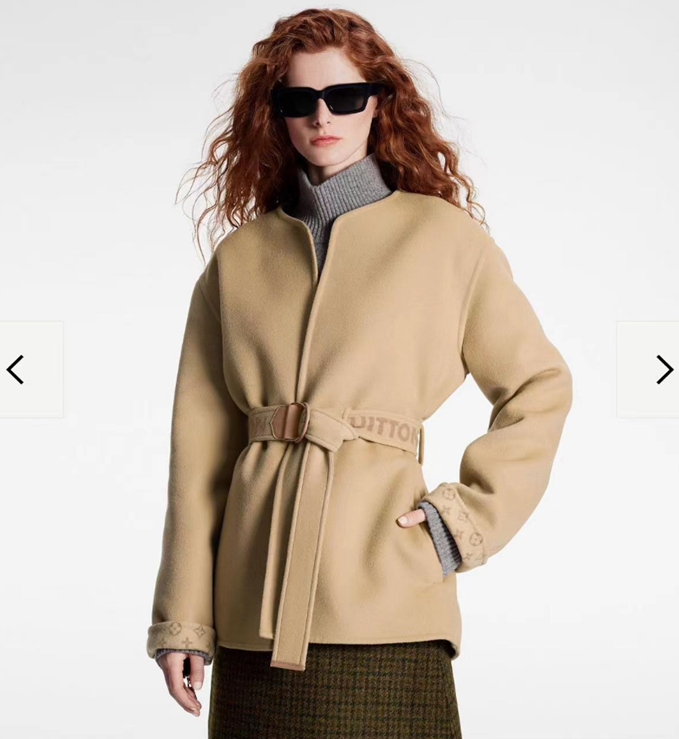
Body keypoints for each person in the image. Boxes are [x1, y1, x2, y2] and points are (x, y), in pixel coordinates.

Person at [146, 9, 573, 738]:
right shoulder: (238, 259)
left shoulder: (446, 240)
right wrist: (183, 615)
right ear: (275, 113)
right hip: (251, 609)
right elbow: (199, 451)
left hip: (387, 594)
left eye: (344, 96)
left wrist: (459, 523)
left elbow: (540, 387)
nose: (323, 117)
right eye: (299, 100)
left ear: (379, 102)